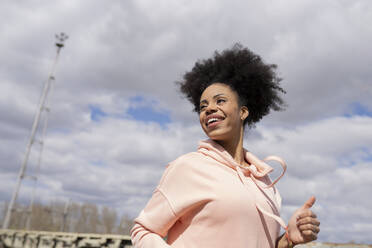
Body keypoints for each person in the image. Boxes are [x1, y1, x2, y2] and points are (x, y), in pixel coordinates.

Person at [130, 44, 320, 248]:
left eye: (220, 101)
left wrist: (288, 240)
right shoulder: (188, 167)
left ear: (243, 112)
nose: (209, 108)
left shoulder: (265, 182)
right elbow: (143, 231)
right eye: (203, 106)